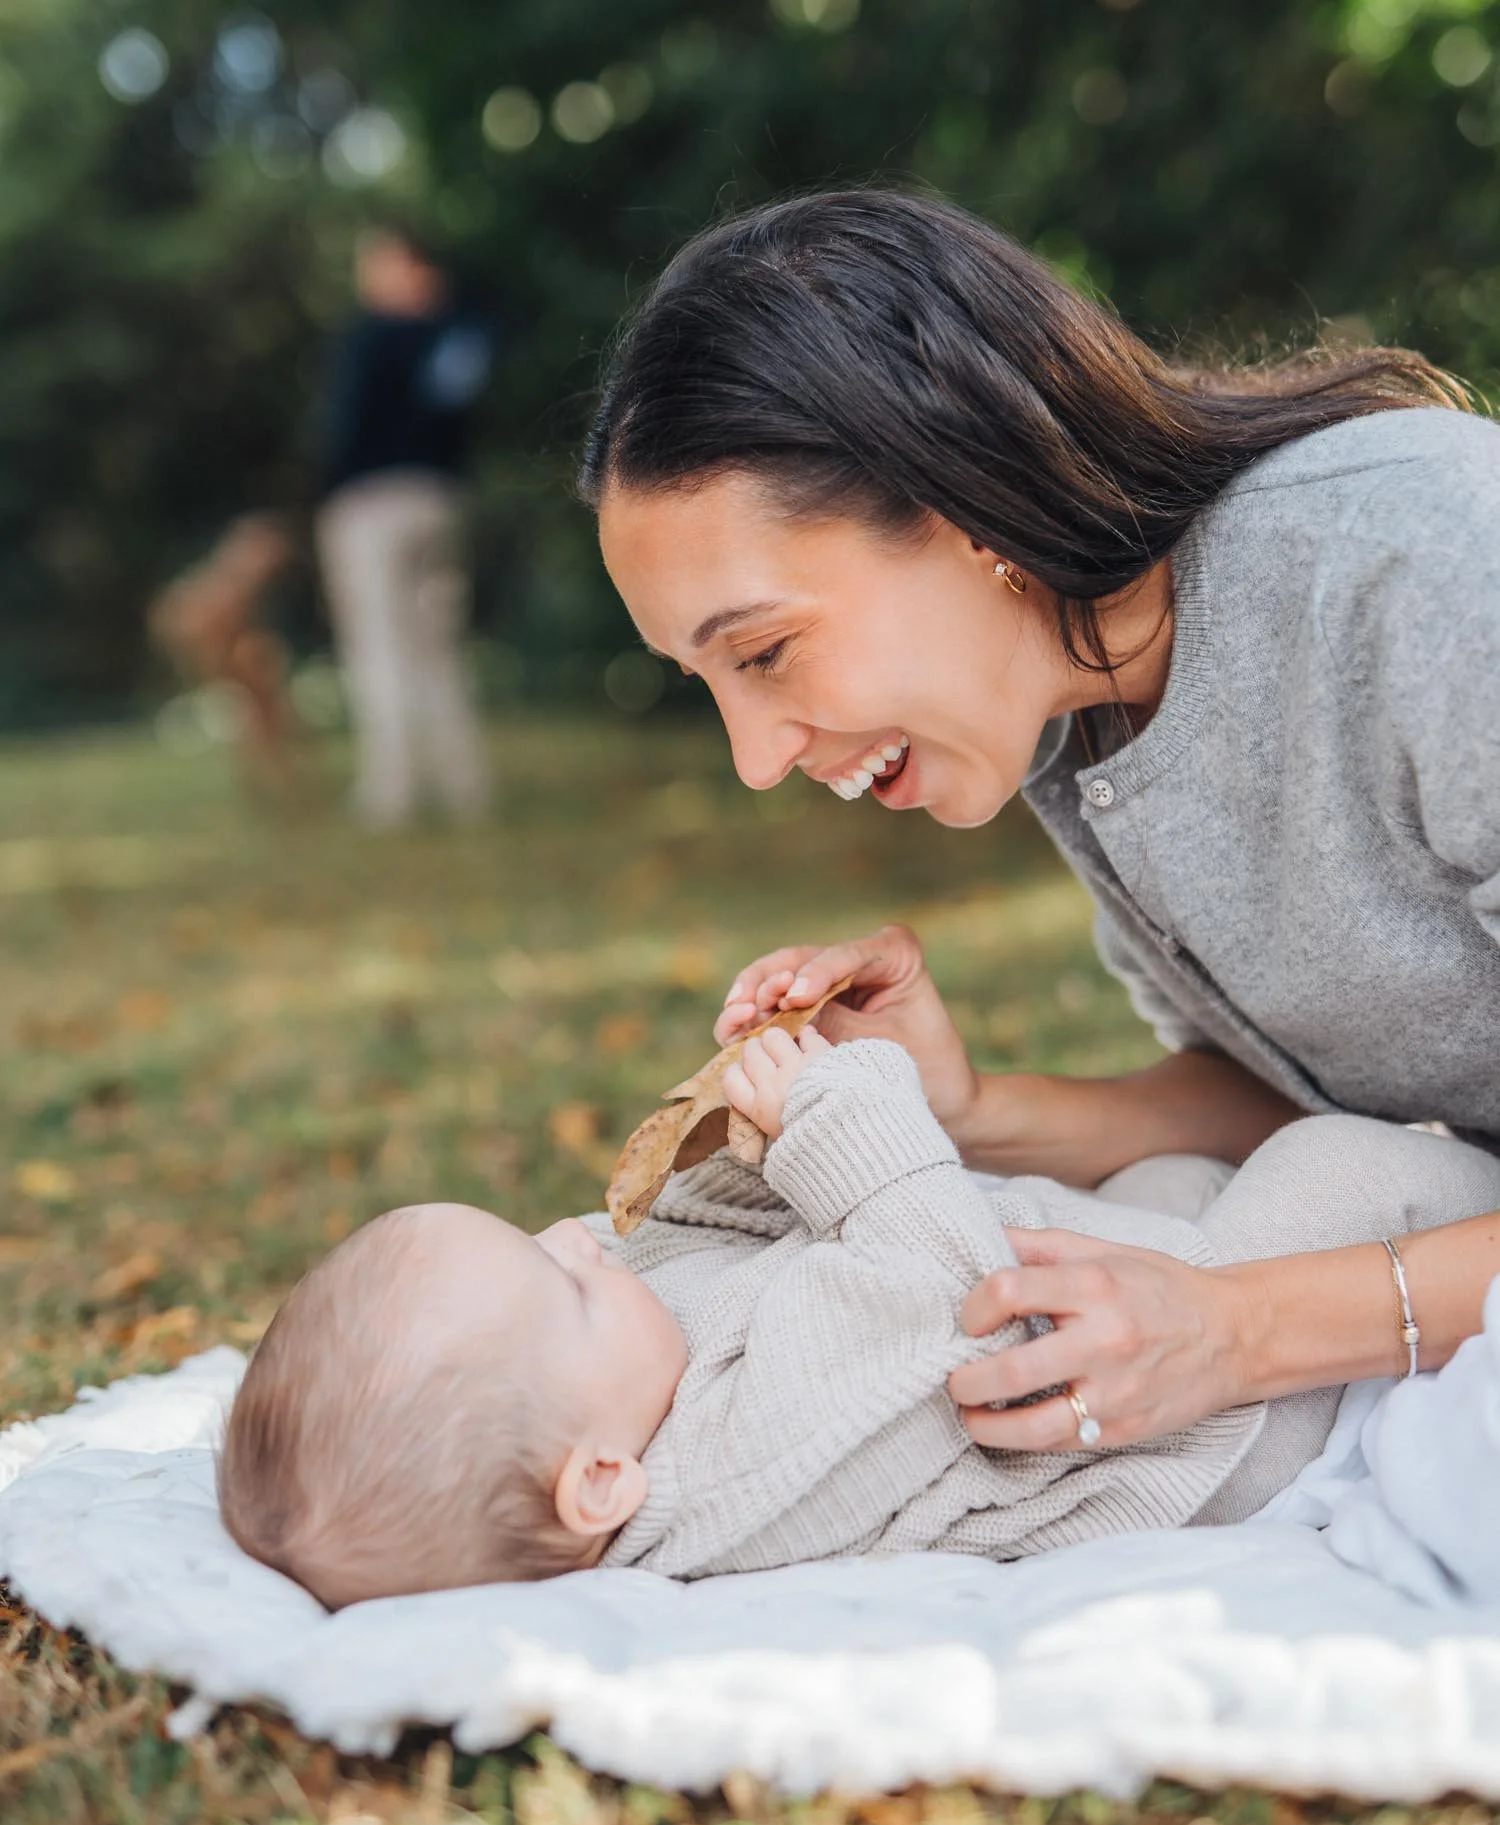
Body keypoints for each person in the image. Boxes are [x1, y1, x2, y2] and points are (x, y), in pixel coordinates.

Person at [579, 188, 1500, 1466]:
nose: (753, 758)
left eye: (769, 652)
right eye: (713, 686)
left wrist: (1239, 1330)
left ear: (967, 510)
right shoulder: (1079, 719)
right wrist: (958, 1106)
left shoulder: (1427, 565)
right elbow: (1297, 1090)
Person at [216, 1024, 1500, 1606]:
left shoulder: (630, 1387)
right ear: (600, 1483)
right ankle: (1461, 1195)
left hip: (1111, 1286)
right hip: (1213, 1438)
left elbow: (726, 1253)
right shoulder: (730, 1465)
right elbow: (944, 1299)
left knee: (1157, 1194)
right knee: (1339, 1168)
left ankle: (1204, 1216)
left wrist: (743, 1141)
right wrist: (837, 1118)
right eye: (559, 1280)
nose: (572, 1238)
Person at [315, 224, 493, 826]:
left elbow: (341, 429)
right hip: (439, 500)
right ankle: (464, 787)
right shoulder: (462, 335)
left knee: (381, 648)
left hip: (372, 503)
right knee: (434, 649)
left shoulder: (371, 337)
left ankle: (392, 793)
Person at [148, 512, 299, 792]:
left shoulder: (236, 589)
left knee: (265, 712)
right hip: (216, 654)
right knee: (255, 714)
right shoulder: (218, 595)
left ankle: (282, 780)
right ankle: (270, 781)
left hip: (225, 653)